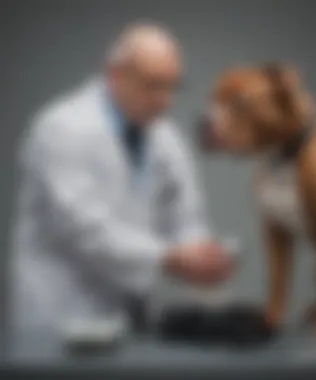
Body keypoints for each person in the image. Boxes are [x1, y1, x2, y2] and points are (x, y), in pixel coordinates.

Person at [10, 22, 233, 337]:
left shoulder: (166, 138)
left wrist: (201, 254)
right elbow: (85, 228)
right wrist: (168, 257)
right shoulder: (60, 128)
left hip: (129, 318)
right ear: (115, 74)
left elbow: (185, 215)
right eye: (153, 86)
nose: (165, 101)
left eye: (172, 87)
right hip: (60, 313)